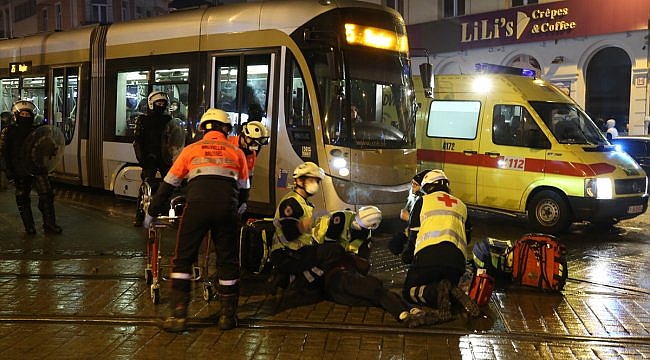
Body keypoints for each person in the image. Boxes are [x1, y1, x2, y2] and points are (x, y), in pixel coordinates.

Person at [144, 108, 249, 332]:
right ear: (226, 129)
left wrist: (151, 212)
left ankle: (179, 316)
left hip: (197, 208)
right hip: (226, 209)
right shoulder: (237, 152)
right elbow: (244, 190)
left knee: (183, 259)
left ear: (203, 129)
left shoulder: (191, 150)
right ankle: (227, 317)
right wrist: (239, 207)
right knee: (227, 261)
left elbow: (169, 184)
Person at [399, 169, 480, 320]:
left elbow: (413, 235)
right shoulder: (461, 205)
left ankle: (438, 291)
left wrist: (408, 256)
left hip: (427, 260)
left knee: (409, 292)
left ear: (428, 187)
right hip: (456, 263)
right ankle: (451, 290)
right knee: (445, 280)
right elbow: (467, 236)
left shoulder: (423, 201)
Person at [268, 162, 344, 294]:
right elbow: (290, 234)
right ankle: (292, 280)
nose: (315, 184)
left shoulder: (303, 202)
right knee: (334, 251)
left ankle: (293, 278)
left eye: (317, 181)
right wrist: (311, 220)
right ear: (299, 181)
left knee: (319, 282)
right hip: (287, 254)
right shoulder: (291, 203)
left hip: (297, 251)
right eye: (312, 180)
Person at [0, 100, 62, 234]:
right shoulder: (8, 131)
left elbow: (48, 146)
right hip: (19, 168)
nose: (25, 117)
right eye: (22, 114)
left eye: (27, 114)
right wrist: (6, 169)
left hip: (37, 167)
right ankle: (29, 227)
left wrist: (51, 150)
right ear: (16, 115)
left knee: (46, 194)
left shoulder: (38, 131)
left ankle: (49, 224)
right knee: (22, 196)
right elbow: (3, 151)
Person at [133, 91, 174, 226]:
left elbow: (174, 138)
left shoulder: (169, 120)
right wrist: (142, 160)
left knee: (170, 184)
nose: (161, 105)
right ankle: (139, 215)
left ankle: (168, 211)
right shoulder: (143, 120)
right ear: (151, 104)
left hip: (165, 158)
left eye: (163, 103)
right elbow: (137, 142)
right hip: (149, 158)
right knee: (145, 185)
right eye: (158, 103)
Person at [228, 121, 270, 216]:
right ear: (246, 137)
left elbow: (247, 179)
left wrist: (243, 201)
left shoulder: (252, 153)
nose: (255, 147)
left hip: (235, 193)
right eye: (254, 143)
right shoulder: (228, 144)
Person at [312, 206, 382, 260]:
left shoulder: (365, 236)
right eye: (356, 220)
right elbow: (329, 242)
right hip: (317, 241)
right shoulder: (340, 217)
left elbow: (363, 256)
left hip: (339, 251)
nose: (356, 223)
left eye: (360, 224)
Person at [388, 169, 430, 256]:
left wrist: (408, 218)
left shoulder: (425, 200)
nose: (412, 186)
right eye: (412, 183)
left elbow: (425, 222)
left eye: (416, 184)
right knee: (394, 244)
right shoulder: (413, 196)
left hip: (421, 236)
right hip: (410, 231)